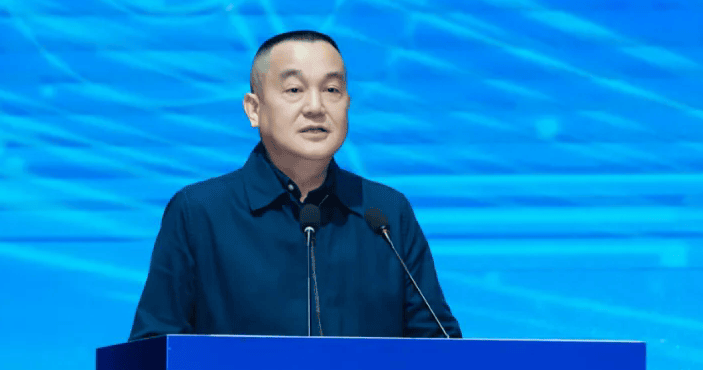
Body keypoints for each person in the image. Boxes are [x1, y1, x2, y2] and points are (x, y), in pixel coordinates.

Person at [129, 30, 461, 339]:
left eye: (331, 90)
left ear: (348, 103)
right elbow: (154, 350)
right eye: (294, 90)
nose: (316, 107)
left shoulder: (385, 213)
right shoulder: (199, 212)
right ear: (254, 109)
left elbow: (440, 346)